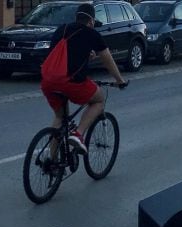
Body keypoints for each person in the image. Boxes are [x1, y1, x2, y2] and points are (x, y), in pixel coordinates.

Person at [39, 3, 127, 155]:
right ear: (91, 21)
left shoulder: (62, 29)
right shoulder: (92, 34)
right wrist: (120, 80)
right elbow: (108, 59)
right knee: (99, 99)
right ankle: (78, 135)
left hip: (48, 81)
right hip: (71, 83)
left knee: (60, 117)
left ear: (76, 17)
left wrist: (86, 55)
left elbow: (61, 55)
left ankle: (51, 161)